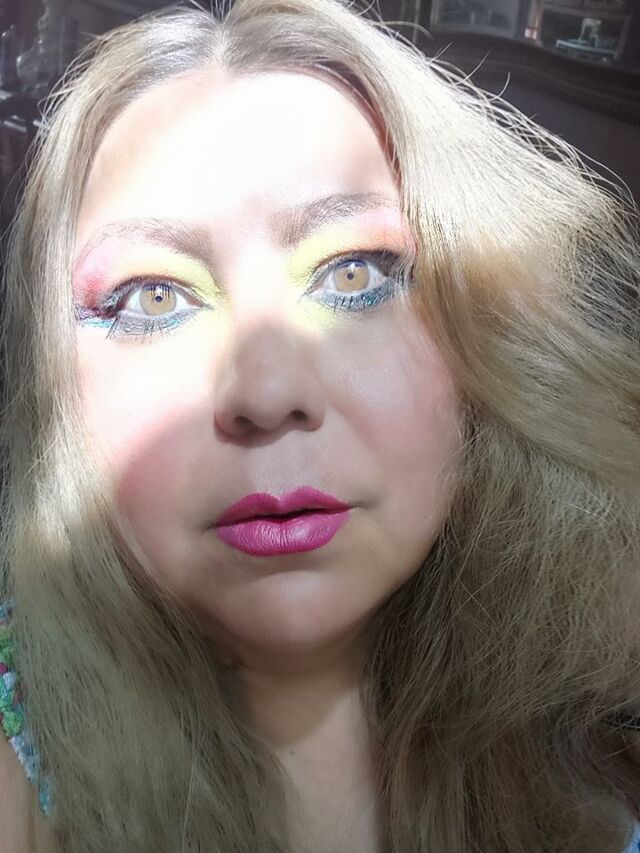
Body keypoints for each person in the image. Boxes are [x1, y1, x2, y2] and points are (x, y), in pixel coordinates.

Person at [0, 0, 639, 850]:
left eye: (354, 274)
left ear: (489, 336)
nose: (268, 391)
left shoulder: (609, 714)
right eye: (153, 297)